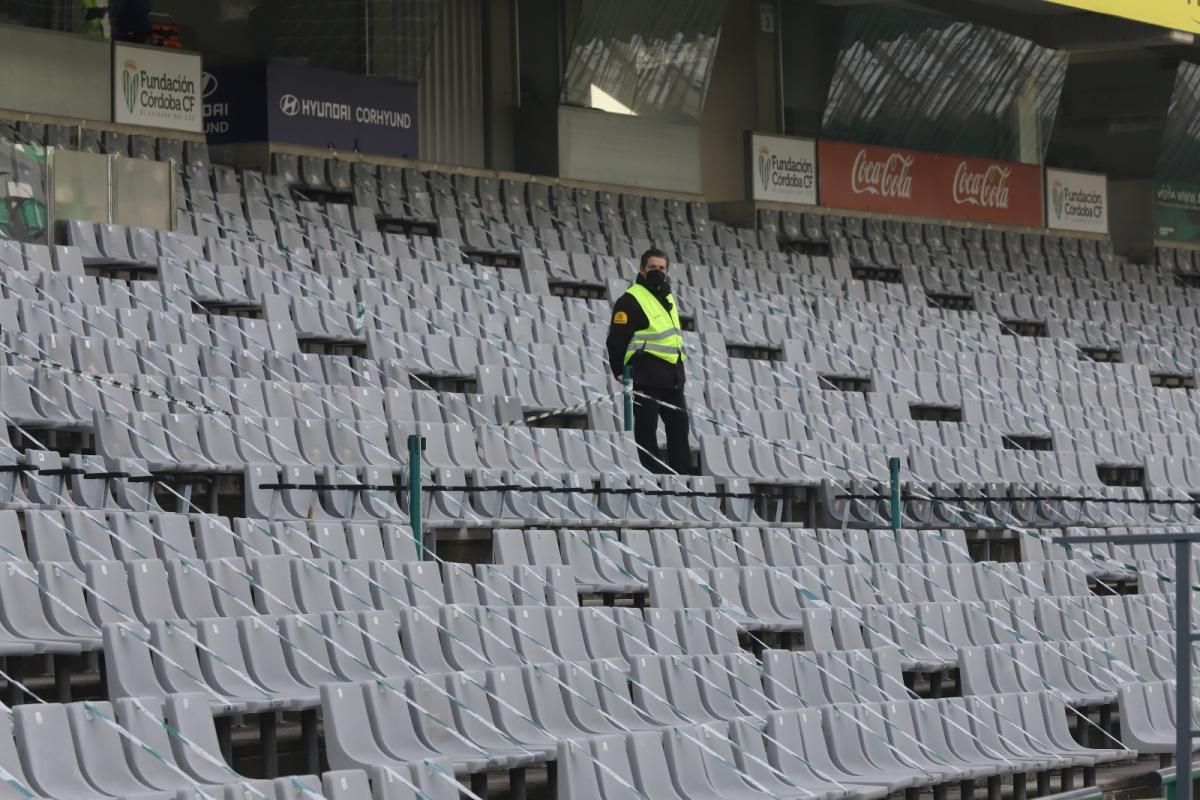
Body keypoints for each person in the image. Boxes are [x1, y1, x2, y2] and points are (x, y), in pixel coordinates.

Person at [606, 248, 691, 474]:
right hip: (645, 377)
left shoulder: (668, 297)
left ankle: (681, 477)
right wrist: (621, 374)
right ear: (642, 269)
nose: (658, 272)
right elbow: (616, 341)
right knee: (647, 430)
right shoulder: (630, 300)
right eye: (653, 268)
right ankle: (653, 477)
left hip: (672, 378)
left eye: (662, 268)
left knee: (680, 427)